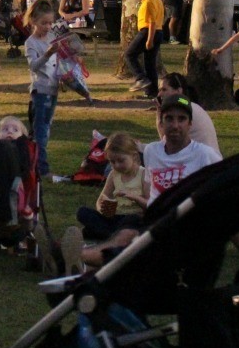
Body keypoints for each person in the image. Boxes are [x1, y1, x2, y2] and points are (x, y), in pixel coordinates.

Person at [62, 95, 220, 273]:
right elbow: (149, 192)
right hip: (149, 218)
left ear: (190, 124)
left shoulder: (205, 155)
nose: (175, 125)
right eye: (169, 118)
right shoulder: (153, 151)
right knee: (124, 231)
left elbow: (223, 196)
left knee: (129, 237)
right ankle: (78, 259)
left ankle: (72, 255)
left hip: (181, 225)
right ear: (161, 122)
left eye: (181, 119)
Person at [76, 132, 149, 241]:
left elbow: (150, 205)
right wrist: (103, 207)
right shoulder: (113, 175)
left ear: (133, 155)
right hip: (115, 216)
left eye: (121, 161)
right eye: (112, 162)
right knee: (82, 212)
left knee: (130, 221)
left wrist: (134, 197)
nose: (116, 165)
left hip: (133, 219)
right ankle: (109, 235)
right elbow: (102, 198)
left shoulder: (143, 174)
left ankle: (99, 234)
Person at [23, 0, 63, 175]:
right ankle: (41, 167)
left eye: (50, 23)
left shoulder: (52, 37)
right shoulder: (31, 43)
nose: (47, 27)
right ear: (33, 21)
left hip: (53, 88)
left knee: (46, 127)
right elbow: (34, 66)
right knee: (40, 130)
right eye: (43, 23)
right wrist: (47, 54)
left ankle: (33, 161)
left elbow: (58, 61)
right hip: (40, 90)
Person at [155, 73, 220, 154]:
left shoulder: (185, 109)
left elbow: (166, 144)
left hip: (201, 162)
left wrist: (160, 112)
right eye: (159, 90)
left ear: (179, 91)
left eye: (164, 90)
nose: (159, 94)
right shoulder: (190, 105)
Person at [124, 0, 163, 98]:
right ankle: (152, 92)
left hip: (148, 31)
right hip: (159, 32)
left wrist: (149, 40)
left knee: (129, 54)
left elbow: (151, 22)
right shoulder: (157, 0)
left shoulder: (148, 3)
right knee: (150, 63)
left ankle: (140, 78)